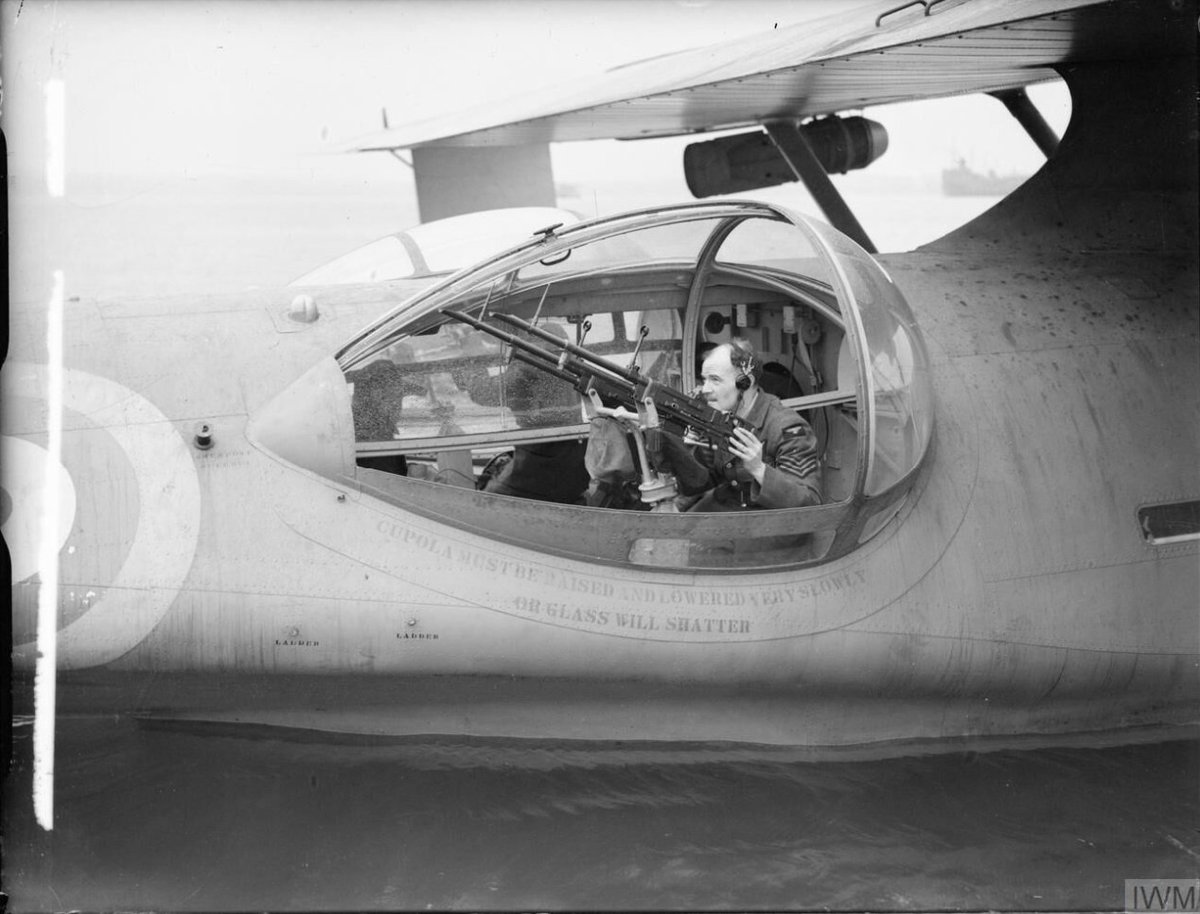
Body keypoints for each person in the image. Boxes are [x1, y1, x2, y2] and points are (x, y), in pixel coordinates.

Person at [656, 339, 822, 511]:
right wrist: (677, 446)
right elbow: (704, 481)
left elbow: (809, 504)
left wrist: (759, 469)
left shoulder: (786, 427)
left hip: (770, 521)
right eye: (704, 379)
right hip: (731, 508)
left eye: (715, 380)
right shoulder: (722, 417)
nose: (705, 389)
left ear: (745, 382)